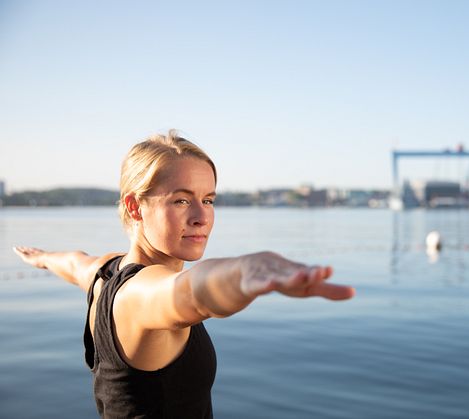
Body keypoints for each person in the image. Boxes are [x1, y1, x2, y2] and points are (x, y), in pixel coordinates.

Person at [12, 130, 355, 418]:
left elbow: (74, 263)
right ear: (135, 207)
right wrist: (243, 273)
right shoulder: (138, 297)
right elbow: (188, 293)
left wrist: (42, 258)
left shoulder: (105, 271)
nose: (201, 217)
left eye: (208, 200)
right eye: (180, 200)